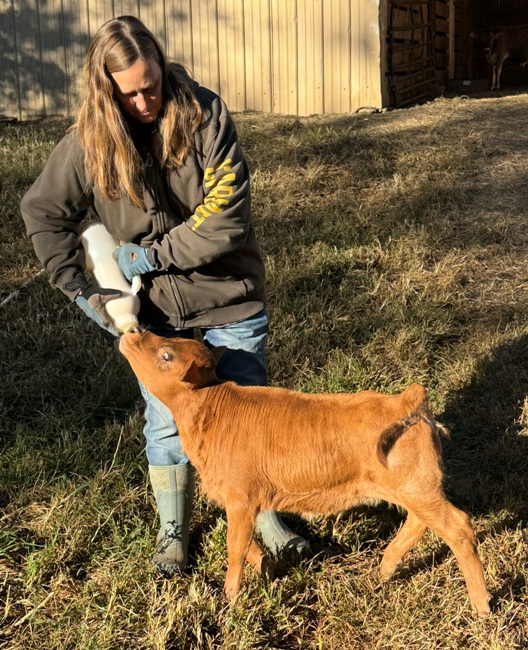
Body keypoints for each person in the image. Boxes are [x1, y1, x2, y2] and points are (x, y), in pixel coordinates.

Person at [21, 15, 310, 577]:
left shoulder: (205, 115)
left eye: (150, 84)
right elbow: (42, 213)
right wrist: (88, 295)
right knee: (164, 421)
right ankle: (174, 532)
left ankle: (268, 518)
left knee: (251, 413)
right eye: (128, 93)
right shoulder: (90, 142)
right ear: (106, 92)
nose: (144, 100)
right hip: (155, 317)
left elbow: (226, 217)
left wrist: (153, 256)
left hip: (228, 294)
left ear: (160, 65)